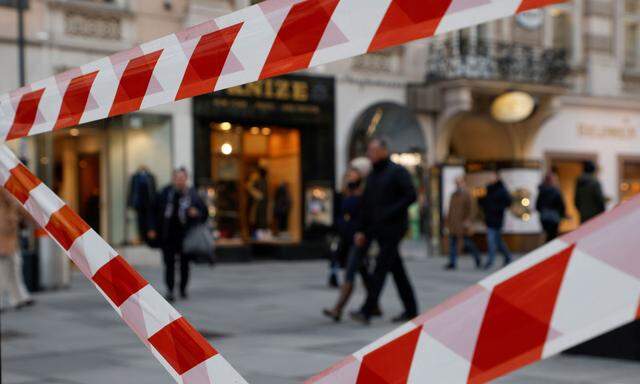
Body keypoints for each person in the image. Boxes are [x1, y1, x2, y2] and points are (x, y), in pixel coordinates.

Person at [351, 138, 418, 325]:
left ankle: (367, 309)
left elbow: (411, 195)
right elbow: (366, 205)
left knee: (380, 267)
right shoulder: (373, 175)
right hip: (377, 228)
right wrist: (361, 230)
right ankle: (411, 309)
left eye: (373, 150)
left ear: (384, 151)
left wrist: (390, 211)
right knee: (397, 270)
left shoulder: (397, 172)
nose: (369, 154)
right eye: (368, 150)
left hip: (393, 228)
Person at [323, 168, 376, 321]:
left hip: (358, 238)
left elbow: (366, 215)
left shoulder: (365, 194)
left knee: (350, 272)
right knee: (364, 272)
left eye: (353, 175)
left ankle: (337, 309)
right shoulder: (345, 193)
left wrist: (362, 232)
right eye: (348, 175)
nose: (350, 178)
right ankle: (375, 304)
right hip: (346, 238)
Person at [149, 168, 207, 302]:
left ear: (186, 179)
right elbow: (153, 210)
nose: (180, 181)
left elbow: (204, 212)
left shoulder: (192, 194)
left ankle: (182, 288)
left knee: (185, 264)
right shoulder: (165, 193)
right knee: (169, 263)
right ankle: (170, 290)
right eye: (177, 178)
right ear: (173, 179)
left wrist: (196, 212)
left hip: (186, 235)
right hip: (168, 234)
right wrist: (152, 228)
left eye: (182, 178)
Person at [0, 188, 35, 311]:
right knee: (3, 272)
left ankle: (19, 297)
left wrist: (36, 219)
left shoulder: (12, 196)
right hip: (2, 238)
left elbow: (24, 211)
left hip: (12, 238)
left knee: (15, 268)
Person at [445, 175, 481, 270]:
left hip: (463, 224)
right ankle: (452, 262)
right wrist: (448, 221)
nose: (457, 184)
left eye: (459, 182)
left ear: (463, 183)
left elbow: (473, 209)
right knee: (453, 243)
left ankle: (477, 258)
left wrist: (469, 220)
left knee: (467, 243)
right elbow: (450, 209)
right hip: (453, 224)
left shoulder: (467, 194)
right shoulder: (453, 195)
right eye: (456, 183)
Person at [479, 170, 513, 269]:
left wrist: (498, 208)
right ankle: (507, 256)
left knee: (492, 240)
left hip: (497, 218)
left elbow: (508, 202)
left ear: (497, 177)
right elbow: (483, 203)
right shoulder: (488, 189)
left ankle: (490, 261)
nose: (490, 178)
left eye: (492, 176)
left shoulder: (502, 189)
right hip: (489, 218)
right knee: (497, 241)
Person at [536, 171, 566, 241]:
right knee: (552, 236)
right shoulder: (555, 191)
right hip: (554, 216)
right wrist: (562, 214)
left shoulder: (542, 191)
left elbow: (538, 205)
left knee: (547, 235)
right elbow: (561, 204)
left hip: (544, 216)